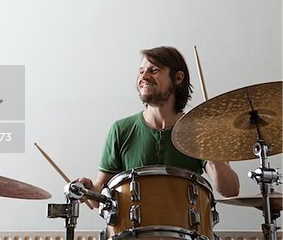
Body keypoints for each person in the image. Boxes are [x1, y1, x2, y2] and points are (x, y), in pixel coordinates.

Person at [78, 46, 240, 207]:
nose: (144, 77)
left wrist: (210, 145)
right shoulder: (121, 129)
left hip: (184, 230)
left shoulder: (198, 130)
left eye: (154, 70)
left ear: (178, 78)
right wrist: (89, 189)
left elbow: (230, 190)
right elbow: (97, 200)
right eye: (141, 71)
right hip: (132, 230)